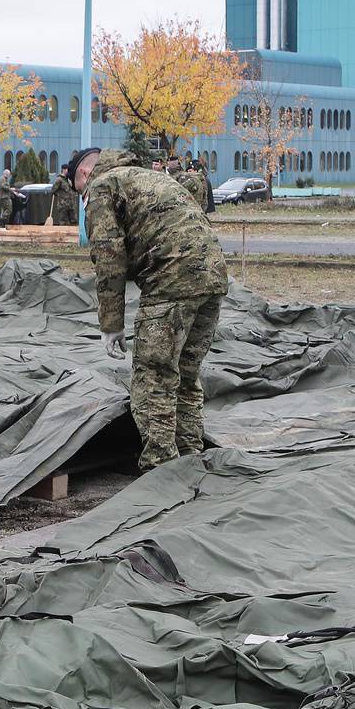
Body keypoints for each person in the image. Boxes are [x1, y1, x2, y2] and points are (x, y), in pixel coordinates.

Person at [70, 143, 229, 470]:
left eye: (79, 190)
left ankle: (160, 466)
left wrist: (111, 324)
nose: (83, 196)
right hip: (213, 275)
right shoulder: (150, 178)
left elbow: (109, 257)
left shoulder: (103, 186)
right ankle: (189, 455)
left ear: (85, 174)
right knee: (185, 374)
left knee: (154, 376)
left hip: (171, 280)